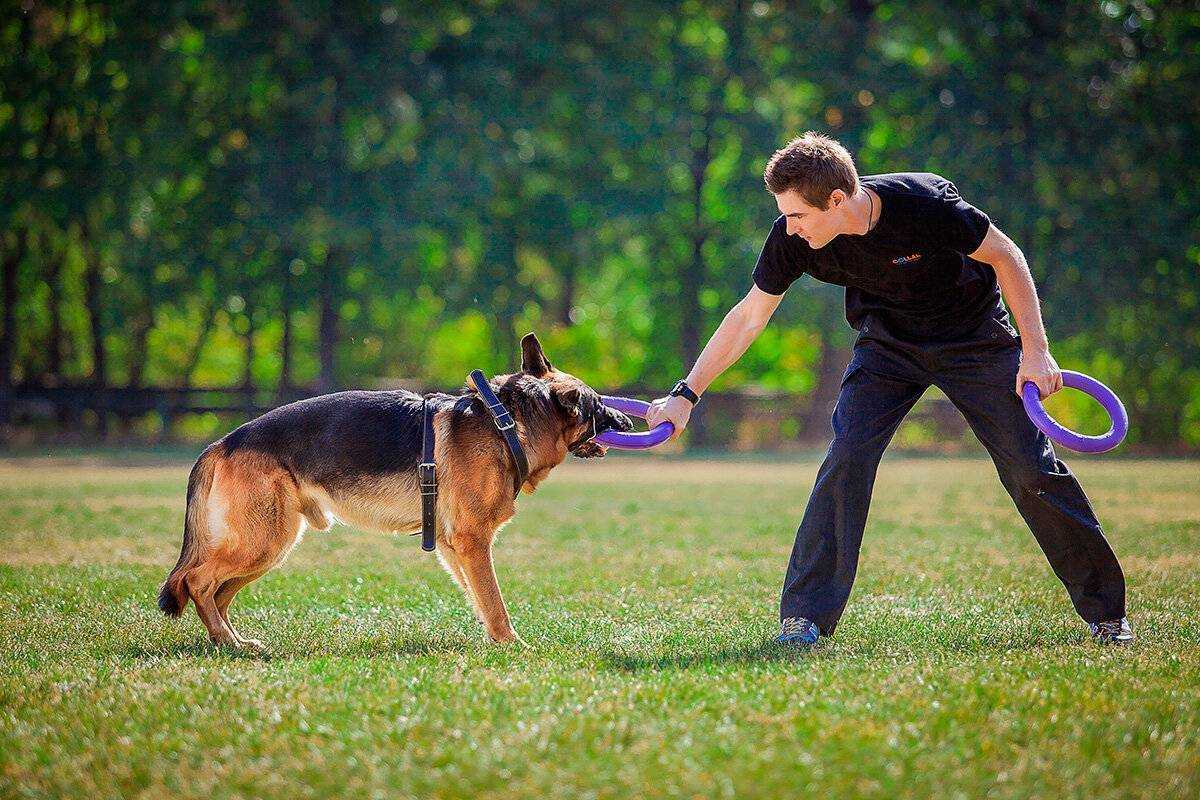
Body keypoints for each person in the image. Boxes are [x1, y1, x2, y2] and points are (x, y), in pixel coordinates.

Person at [645, 132, 1132, 647]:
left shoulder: (922, 204)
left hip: (973, 338)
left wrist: (1035, 351)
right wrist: (686, 394)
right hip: (887, 347)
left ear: (837, 201)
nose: (790, 227)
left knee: (1029, 466)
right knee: (848, 455)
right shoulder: (793, 240)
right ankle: (804, 618)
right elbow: (748, 317)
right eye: (786, 215)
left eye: (798, 215)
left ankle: (1106, 613)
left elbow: (1007, 257)